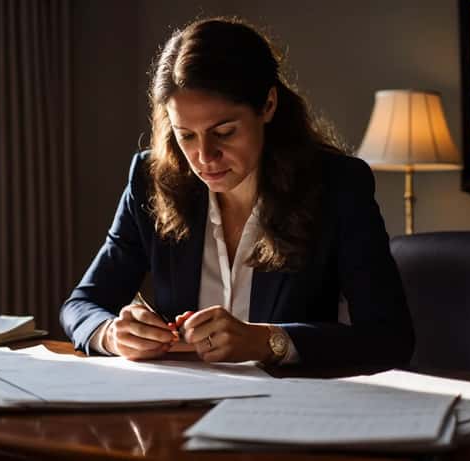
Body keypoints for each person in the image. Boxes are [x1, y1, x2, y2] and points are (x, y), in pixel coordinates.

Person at [60, 17, 414, 367]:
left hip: (290, 411)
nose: (205, 157)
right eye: (186, 135)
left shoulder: (337, 184)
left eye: (225, 132)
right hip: (176, 406)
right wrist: (111, 333)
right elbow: (81, 305)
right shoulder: (151, 180)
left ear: (268, 105)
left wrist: (268, 342)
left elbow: (389, 338)